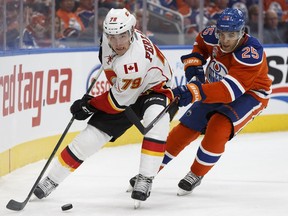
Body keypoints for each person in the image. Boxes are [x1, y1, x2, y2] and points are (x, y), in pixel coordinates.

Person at [33, 8, 175, 204]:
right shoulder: (111, 38)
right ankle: (51, 179)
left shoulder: (133, 62)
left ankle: (145, 178)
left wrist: (89, 105)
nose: (117, 43)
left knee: (155, 124)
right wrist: (92, 102)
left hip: (156, 90)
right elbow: (108, 65)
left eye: (122, 36)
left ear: (132, 31)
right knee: (88, 138)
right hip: (127, 90)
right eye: (112, 36)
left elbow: (117, 102)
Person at [129, 8, 272, 196]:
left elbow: (229, 91)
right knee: (185, 129)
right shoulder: (211, 36)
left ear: (242, 32)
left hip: (250, 95)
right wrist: (194, 66)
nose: (226, 39)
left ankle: (196, 173)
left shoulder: (250, 53)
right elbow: (199, 46)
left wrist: (193, 90)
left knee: (218, 126)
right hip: (215, 87)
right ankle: (149, 172)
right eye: (223, 34)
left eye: (232, 34)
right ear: (217, 31)